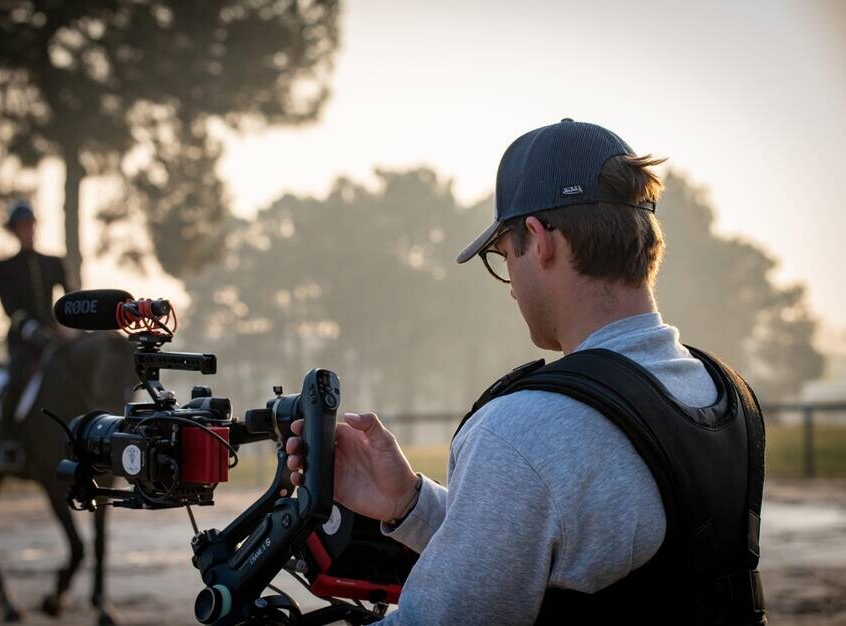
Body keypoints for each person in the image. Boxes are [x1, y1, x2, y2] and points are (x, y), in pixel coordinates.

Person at [285, 119, 766, 624]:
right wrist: (408, 501)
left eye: (502, 256)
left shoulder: (526, 429)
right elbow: (575, 549)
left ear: (538, 241)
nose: (511, 286)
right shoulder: (725, 395)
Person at [0, 200, 71, 473]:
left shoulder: (53, 262)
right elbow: (10, 308)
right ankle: (11, 443)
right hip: (22, 340)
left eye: (30, 225)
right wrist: (30, 329)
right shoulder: (5, 267)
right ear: (14, 231)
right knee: (16, 380)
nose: (27, 231)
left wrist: (68, 325)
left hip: (54, 335)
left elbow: (69, 295)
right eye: (21, 227)